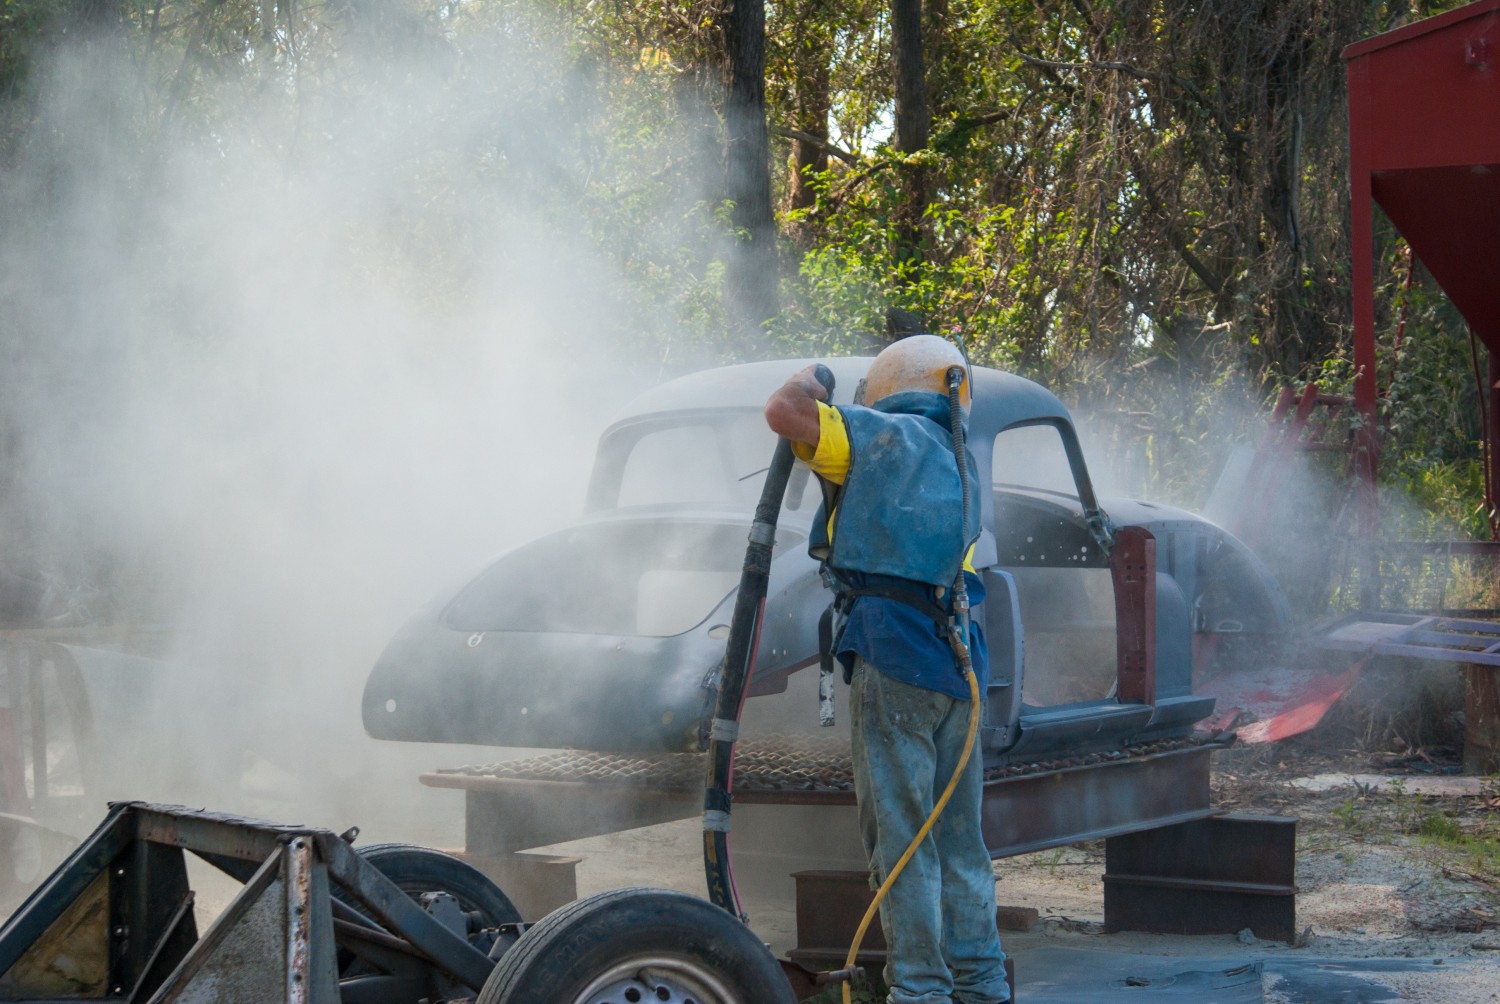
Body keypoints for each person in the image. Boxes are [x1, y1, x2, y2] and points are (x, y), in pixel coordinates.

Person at [764, 335, 1010, 1004]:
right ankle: (982, 989)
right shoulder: (960, 462)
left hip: (896, 657)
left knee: (902, 843)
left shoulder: (876, 439)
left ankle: (920, 992)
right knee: (960, 843)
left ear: (883, 389)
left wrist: (809, 377)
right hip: (960, 668)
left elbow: (783, 412)